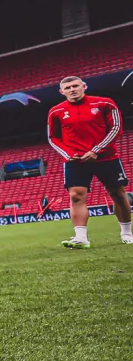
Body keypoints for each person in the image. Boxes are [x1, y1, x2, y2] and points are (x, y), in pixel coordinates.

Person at [46, 75, 132, 248]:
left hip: (106, 157)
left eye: (75, 86)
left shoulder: (105, 104)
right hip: (75, 161)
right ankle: (81, 238)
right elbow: (53, 137)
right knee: (76, 196)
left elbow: (116, 129)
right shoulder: (56, 111)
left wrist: (96, 151)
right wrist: (68, 154)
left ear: (84, 86)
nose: (72, 90)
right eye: (68, 88)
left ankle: (126, 233)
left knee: (117, 194)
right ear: (61, 92)